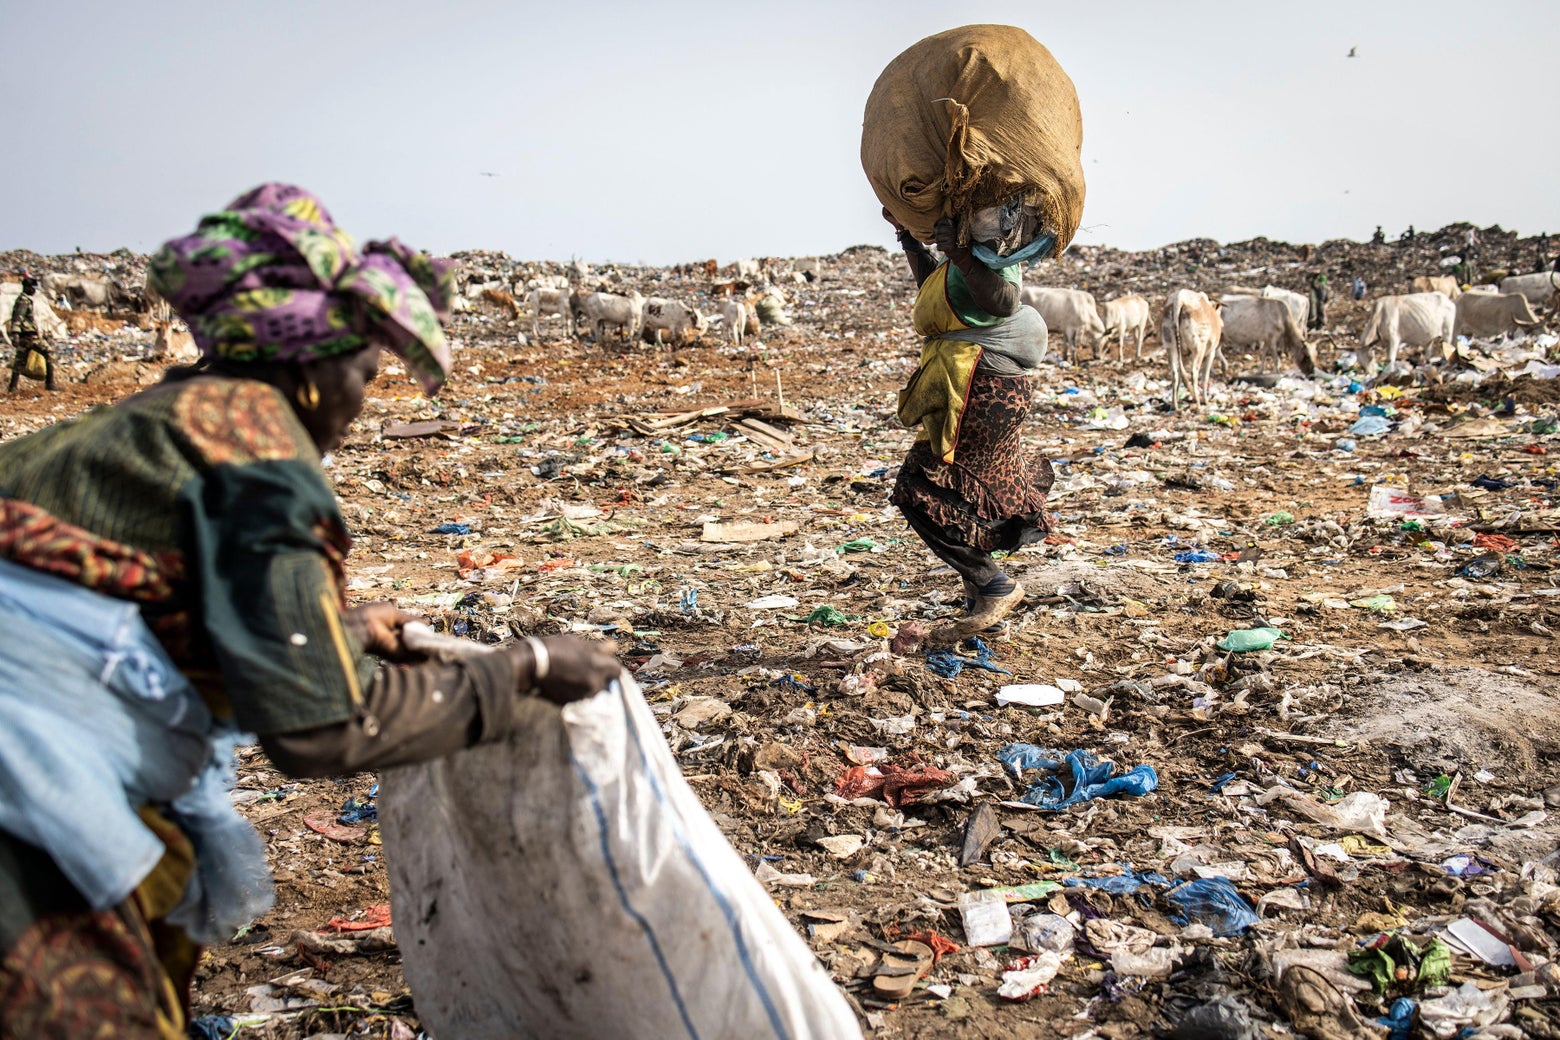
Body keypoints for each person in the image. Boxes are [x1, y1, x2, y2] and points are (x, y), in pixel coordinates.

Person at [0, 184, 621, 1036]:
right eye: (365, 373)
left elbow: (137, 599)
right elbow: (320, 730)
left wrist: (345, 629)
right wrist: (526, 668)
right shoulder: (262, 468)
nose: (365, 400)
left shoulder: (155, 422)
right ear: (312, 369)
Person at [882, 207, 1052, 638]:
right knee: (964, 494)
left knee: (917, 488)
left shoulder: (995, 249)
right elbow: (939, 290)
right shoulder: (965, 255)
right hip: (978, 385)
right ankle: (982, 606)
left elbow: (1003, 301)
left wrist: (960, 254)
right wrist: (909, 238)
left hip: (983, 388)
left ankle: (994, 585)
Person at [5, 275, 56, 393]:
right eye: (33, 288)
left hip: (24, 336)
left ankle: (12, 387)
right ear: (27, 288)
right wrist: (15, 334)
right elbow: (18, 317)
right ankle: (50, 383)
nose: (34, 291)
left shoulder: (24, 300)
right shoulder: (23, 301)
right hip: (29, 336)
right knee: (49, 353)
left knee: (19, 362)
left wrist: (16, 334)